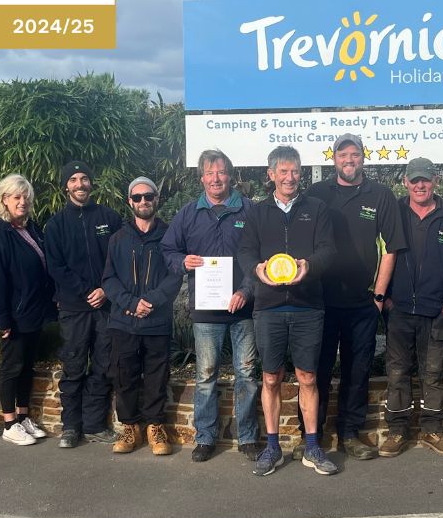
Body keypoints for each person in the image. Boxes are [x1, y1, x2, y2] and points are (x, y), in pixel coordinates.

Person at [304, 133, 406, 460]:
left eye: (355, 154)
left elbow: (391, 248)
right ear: (333, 159)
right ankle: (314, 436)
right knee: (316, 371)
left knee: (356, 372)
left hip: (362, 303)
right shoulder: (317, 193)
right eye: (343, 154)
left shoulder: (380, 195)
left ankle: (350, 433)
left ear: (364, 158)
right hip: (319, 301)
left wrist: (379, 295)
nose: (349, 159)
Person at [237, 145, 337, 477]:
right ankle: (273, 447)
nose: (290, 177)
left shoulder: (317, 209)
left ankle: (312, 446)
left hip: (308, 305)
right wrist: (256, 269)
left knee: (308, 377)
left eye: (295, 171)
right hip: (268, 308)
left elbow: (328, 251)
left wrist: (311, 265)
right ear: (271, 175)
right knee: (270, 377)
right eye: (283, 171)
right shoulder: (256, 212)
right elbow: (246, 251)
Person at [162, 149, 260, 462]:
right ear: (202, 177)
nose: (215, 178)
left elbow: (260, 256)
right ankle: (205, 438)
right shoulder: (188, 213)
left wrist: (246, 290)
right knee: (205, 375)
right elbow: (168, 250)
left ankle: (247, 437)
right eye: (209, 173)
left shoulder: (249, 210)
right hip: (206, 311)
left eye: (220, 172)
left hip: (242, 307)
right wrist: (182, 261)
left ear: (230, 175)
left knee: (246, 373)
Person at [380, 158, 443, 458]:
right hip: (399, 311)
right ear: (405, 182)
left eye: (425, 180)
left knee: (432, 374)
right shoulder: (394, 212)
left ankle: (433, 429)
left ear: (435, 181)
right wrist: (388, 300)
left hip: (437, 313)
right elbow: (379, 253)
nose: (420, 185)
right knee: (397, 372)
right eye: (414, 180)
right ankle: (397, 430)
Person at [45, 160, 123, 448]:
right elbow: (56, 267)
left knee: (103, 367)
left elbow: (119, 259)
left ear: (91, 183)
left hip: (105, 306)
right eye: (74, 179)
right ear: (66, 186)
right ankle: (70, 427)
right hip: (73, 307)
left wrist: (104, 289)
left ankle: (93, 425)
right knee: (74, 367)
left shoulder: (110, 218)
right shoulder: (55, 225)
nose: (80, 184)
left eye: (84, 178)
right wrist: (84, 291)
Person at [101, 176, 182, 456]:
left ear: (157, 199)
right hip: (124, 321)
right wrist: (132, 303)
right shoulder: (118, 239)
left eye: (149, 196)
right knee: (124, 377)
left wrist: (151, 301)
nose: (143, 201)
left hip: (157, 322)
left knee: (157, 377)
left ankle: (155, 427)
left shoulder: (170, 237)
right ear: (130, 202)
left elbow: (175, 276)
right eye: (137, 197)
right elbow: (109, 280)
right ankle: (130, 427)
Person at [0, 174, 56, 446]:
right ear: (4, 200)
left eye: (25, 197)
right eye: (16, 197)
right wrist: (1, 318)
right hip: (13, 314)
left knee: (26, 367)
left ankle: (23, 416)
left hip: (33, 313)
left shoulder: (30, 227)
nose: (22, 202)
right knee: (12, 368)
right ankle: (9, 421)